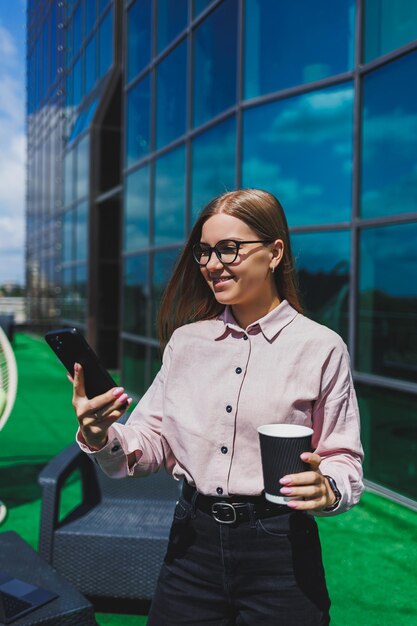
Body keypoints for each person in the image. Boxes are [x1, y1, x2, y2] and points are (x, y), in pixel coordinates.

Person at [72, 189, 364, 625]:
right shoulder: (186, 344)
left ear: (275, 252)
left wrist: (329, 488)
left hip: (280, 547)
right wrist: (101, 436)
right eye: (204, 251)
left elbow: (344, 458)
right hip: (191, 544)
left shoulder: (321, 348)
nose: (211, 263)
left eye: (229, 248)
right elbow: (149, 442)